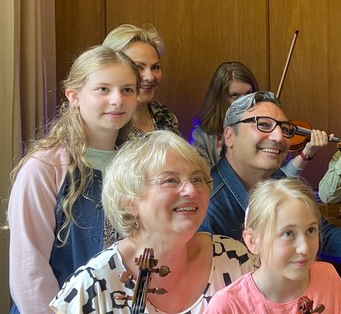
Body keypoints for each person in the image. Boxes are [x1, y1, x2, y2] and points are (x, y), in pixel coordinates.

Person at [200, 91, 341, 296]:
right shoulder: (206, 206)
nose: (279, 137)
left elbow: (320, 232)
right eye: (264, 125)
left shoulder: (278, 179)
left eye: (284, 128)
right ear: (229, 135)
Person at [50, 131, 254, 313]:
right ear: (129, 201)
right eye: (170, 180)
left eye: (197, 179)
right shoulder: (93, 285)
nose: (191, 190)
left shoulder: (235, 259)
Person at [7, 46, 139, 314]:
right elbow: (29, 270)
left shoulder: (138, 164)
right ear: (74, 96)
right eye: (103, 89)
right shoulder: (45, 167)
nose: (117, 100)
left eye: (127, 90)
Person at [206, 178, 341, 313]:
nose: (304, 248)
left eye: (310, 230)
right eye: (288, 234)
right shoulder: (227, 306)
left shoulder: (328, 276)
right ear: (253, 241)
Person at [191, 61, 326, 174]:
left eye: (249, 93)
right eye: (234, 96)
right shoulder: (202, 136)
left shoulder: (271, 131)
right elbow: (205, 181)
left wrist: (307, 152)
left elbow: (282, 178)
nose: (246, 102)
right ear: (220, 98)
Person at [104, 23, 180, 138]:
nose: (150, 77)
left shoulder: (164, 115)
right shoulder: (108, 123)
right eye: (138, 67)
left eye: (155, 67)